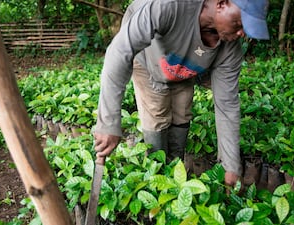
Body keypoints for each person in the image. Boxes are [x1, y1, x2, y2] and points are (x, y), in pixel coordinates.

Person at [93, 0, 269, 188]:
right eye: (239, 24)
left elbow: (227, 105)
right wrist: (109, 123)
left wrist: (231, 166)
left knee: (182, 112)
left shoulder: (230, 48)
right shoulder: (170, 5)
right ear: (221, 3)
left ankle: (173, 173)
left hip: (184, 63)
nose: (242, 33)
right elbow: (120, 51)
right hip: (147, 55)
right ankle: (157, 178)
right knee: (157, 112)